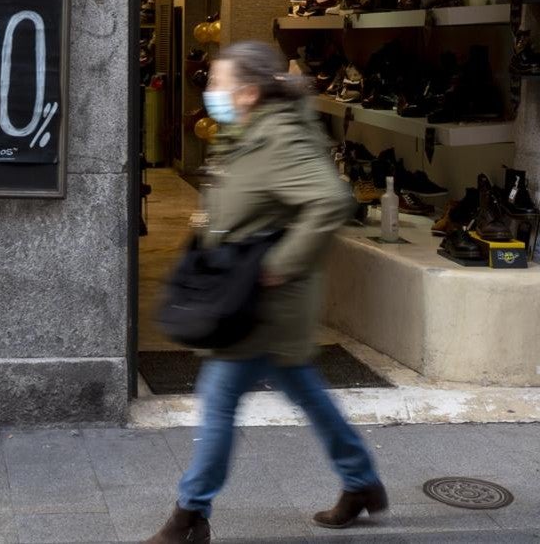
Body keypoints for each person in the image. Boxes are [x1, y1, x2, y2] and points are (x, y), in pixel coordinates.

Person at [145, 41, 386, 543]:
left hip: (261, 308)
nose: (210, 90)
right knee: (308, 394)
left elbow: (330, 200)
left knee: (217, 401)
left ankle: (188, 516)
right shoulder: (245, 133)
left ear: (249, 92)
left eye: (219, 82)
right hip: (252, 302)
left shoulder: (280, 139)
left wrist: (279, 265)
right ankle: (361, 482)